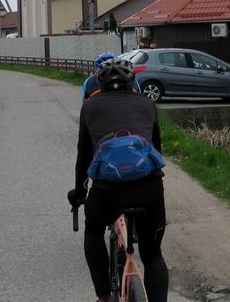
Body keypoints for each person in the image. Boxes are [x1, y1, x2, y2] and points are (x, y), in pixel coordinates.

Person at [69, 57, 168, 302]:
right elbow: (157, 151)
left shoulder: (89, 107)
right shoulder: (147, 104)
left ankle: (105, 296)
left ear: (98, 84)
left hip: (107, 191)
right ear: (132, 82)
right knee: (153, 255)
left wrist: (79, 194)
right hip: (148, 187)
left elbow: (84, 156)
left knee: (93, 233)